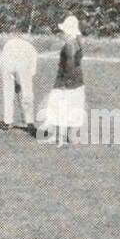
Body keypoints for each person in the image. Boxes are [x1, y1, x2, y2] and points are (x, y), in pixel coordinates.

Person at [42, 15, 86, 147]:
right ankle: (68, 137)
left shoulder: (70, 45)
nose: (62, 34)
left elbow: (70, 65)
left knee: (58, 107)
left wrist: (64, 84)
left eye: (64, 31)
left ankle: (58, 137)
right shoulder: (78, 42)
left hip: (67, 82)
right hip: (77, 82)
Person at [0, 34, 38, 130]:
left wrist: (16, 82)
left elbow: (1, 62)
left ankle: (8, 122)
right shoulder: (31, 48)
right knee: (27, 94)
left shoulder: (9, 43)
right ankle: (29, 122)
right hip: (20, 68)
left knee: (8, 94)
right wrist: (21, 82)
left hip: (8, 67)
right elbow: (32, 70)